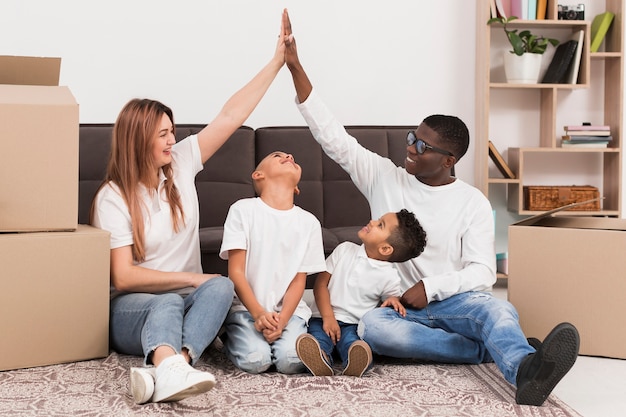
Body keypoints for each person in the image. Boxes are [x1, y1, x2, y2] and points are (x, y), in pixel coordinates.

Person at [281, 9, 580, 406]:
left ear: (448, 160)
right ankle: (482, 350)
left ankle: (527, 370)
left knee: (499, 310)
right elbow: (331, 135)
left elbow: (482, 271)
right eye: (412, 137)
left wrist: (432, 287)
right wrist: (295, 66)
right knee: (373, 329)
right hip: (397, 308)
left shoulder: (471, 202)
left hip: (453, 302)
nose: (410, 147)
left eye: (422, 146)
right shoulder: (384, 176)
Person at [90, 14, 289, 404]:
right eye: (163, 134)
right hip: (131, 310)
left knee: (222, 284)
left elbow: (231, 116)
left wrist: (277, 62)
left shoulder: (179, 164)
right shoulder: (112, 197)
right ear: (139, 140)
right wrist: (191, 281)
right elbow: (125, 277)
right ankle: (174, 363)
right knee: (173, 298)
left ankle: (171, 367)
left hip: (187, 303)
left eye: (172, 131)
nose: (172, 139)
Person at [219, 150, 327, 374]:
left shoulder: (309, 223)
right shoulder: (242, 210)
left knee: (290, 361)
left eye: (292, 157)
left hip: (289, 313)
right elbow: (236, 272)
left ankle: (304, 342)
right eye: (277, 155)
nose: (289, 155)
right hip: (247, 310)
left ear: (296, 188)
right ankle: (228, 337)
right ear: (258, 175)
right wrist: (258, 314)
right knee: (255, 361)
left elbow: (299, 281)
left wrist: (283, 320)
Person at [296, 209, 427, 378]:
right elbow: (320, 285)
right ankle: (320, 358)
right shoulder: (344, 250)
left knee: (354, 343)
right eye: (378, 220)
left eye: (380, 225)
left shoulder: (389, 276)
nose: (372, 222)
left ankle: (355, 361)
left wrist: (393, 299)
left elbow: (390, 297)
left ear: (385, 248)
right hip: (322, 317)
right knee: (317, 337)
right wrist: (328, 318)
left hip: (353, 325)